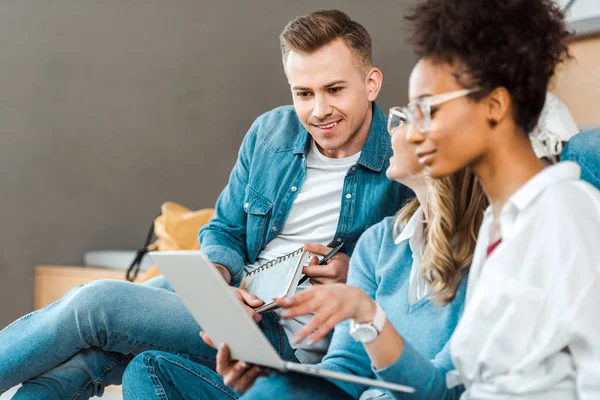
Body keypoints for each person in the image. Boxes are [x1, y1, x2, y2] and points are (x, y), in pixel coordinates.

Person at [0, 9, 412, 400]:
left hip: (285, 338)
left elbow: (413, 278)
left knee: (98, 304)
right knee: (94, 355)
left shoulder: (406, 162)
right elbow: (224, 229)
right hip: (236, 293)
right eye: (303, 93)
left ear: (371, 83)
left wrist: (352, 275)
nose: (318, 110)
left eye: (334, 89)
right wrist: (216, 280)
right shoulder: (271, 132)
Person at [249, 1, 599, 399]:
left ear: (495, 105)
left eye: (428, 110)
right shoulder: (496, 230)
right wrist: (366, 316)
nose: (411, 134)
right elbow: (444, 392)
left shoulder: (565, 210)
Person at [120, 90, 489, 399]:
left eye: (411, 117)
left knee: (104, 305)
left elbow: (442, 393)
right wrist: (277, 375)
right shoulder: (380, 242)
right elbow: (344, 368)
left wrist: (369, 317)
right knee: (149, 369)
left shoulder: (489, 260)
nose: (392, 129)